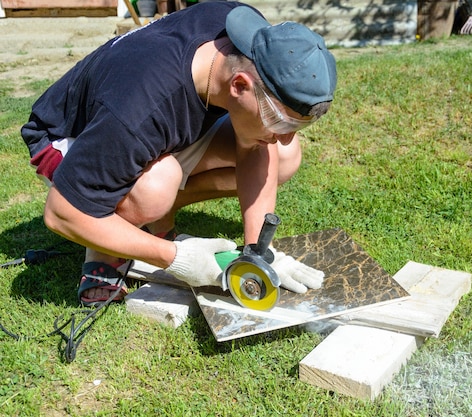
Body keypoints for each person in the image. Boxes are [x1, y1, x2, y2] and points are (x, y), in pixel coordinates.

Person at [21, 2, 337, 307]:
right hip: (71, 137)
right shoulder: (136, 112)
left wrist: (257, 254)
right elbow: (61, 213)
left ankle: (149, 217)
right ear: (239, 85)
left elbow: (258, 145)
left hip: (154, 127)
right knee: (155, 188)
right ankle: (104, 250)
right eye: (279, 121)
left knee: (285, 155)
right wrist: (176, 258)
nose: (284, 135)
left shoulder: (244, 40)